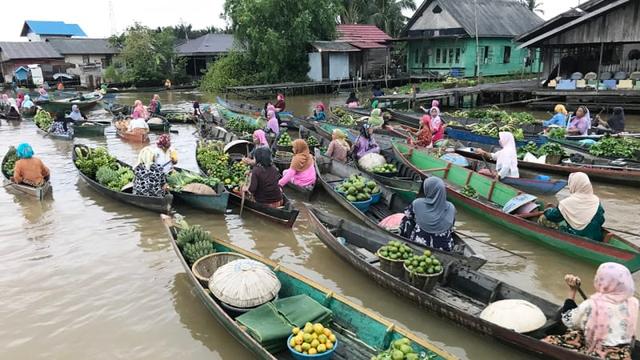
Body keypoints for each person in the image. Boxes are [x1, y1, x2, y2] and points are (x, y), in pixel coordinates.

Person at [542, 263, 638, 359]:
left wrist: (572, 290)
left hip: (600, 354)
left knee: (549, 341)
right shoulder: (633, 302)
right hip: (623, 353)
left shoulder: (591, 304)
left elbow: (568, 320)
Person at [539, 172, 604, 241]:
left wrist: (547, 210)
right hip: (597, 237)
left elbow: (552, 217)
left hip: (575, 235)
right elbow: (601, 220)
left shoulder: (566, 203)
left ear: (574, 184)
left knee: (543, 218)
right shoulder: (596, 200)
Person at [400, 177, 456, 251]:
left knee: (406, 219)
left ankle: (406, 239)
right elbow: (451, 227)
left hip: (421, 243)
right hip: (444, 247)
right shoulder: (451, 207)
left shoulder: (417, 203)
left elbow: (408, 215)